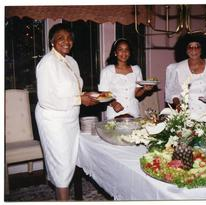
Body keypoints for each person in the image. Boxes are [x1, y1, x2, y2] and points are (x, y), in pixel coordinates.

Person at [35, 23, 98, 200]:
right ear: (51, 41)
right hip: (53, 120)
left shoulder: (71, 61)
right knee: (61, 166)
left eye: (69, 38)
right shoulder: (47, 63)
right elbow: (47, 99)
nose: (66, 41)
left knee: (70, 161)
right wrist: (80, 99)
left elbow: (71, 91)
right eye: (61, 38)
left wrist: (84, 95)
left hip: (70, 118)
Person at [169, 34, 206, 119]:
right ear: (185, 50)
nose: (194, 50)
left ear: (202, 49)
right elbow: (173, 93)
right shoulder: (176, 68)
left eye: (197, 46)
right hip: (186, 114)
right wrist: (178, 105)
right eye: (190, 47)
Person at [98, 38, 154, 120]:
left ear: (130, 52)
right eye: (120, 49)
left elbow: (136, 94)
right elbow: (103, 94)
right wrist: (113, 103)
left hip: (133, 111)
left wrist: (144, 89)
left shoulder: (136, 69)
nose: (124, 53)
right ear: (115, 53)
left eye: (127, 49)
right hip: (115, 112)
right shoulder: (107, 71)